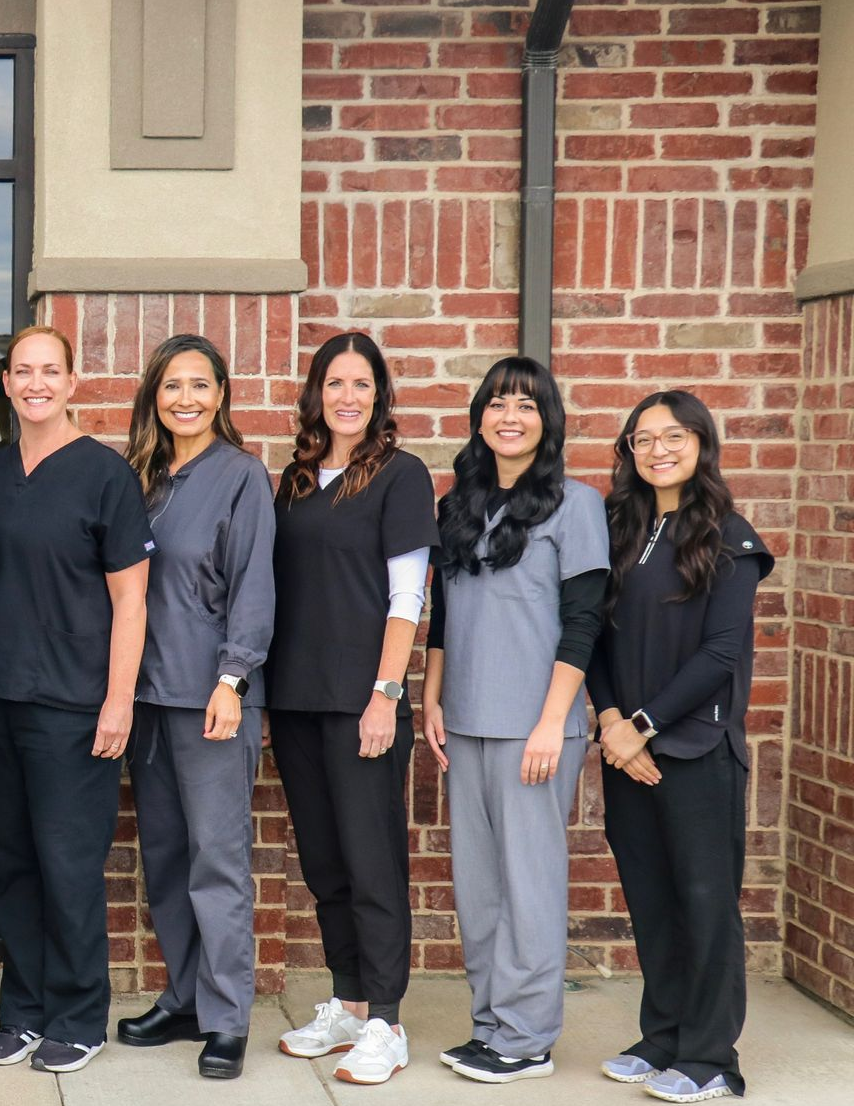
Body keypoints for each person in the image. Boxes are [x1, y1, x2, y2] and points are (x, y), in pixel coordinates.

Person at [0, 325, 152, 1074]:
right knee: (8, 866)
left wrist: (119, 699)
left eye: (51, 371)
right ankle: (26, 1010)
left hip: (76, 706)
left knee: (69, 865)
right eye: (22, 371)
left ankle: (79, 1015)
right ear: (6, 384)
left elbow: (132, 603)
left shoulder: (108, 478)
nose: (36, 383)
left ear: (72, 382)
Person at [423, 356, 609, 1084]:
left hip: (536, 726)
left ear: (547, 420)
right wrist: (431, 698)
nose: (510, 416)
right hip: (464, 721)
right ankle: (490, 1026)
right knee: (479, 887)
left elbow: (584, 622)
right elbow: (443, 615)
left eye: (526, 406)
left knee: (530, 886)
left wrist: (551, 722)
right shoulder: (458, 505)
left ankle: (527, 1038)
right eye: (498, 403)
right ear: (479, 418)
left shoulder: (578, 503)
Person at [587, 392, 772, 1104]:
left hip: (695, 749)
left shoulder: (728, 535)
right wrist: (611, 722)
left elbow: (722, 653)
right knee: (652, 901)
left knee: (704, 902)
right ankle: (662, 1035)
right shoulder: (621, 529)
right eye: (642, 438)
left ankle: (711, 1056)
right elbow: (593, 634)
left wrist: (644, 725)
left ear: (701, 442)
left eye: (674, 435)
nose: (658, 449)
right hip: (626, 748)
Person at [266, 332, 436, 1085]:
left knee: (372, 865)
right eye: (334, 383)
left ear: (379, 396)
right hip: (297, 699)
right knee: (324, 863)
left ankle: (387, 1021)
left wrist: (385, 695)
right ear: (317, 394)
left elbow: (409, 598)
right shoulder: (297, 479)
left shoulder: (401, 477)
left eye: (361, 384)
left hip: (363, 703)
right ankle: (347, 1002)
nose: (347, 397)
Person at [112, 333, 275, 1081]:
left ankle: (227, 1017)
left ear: (221, 394)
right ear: (155, 396)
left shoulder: (241, 475)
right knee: (167, 858)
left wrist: (233, 679)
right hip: (146, 697)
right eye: (172, 386)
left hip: (212, 697)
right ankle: (182, 997)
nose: (186, 399)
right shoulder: (139, 478)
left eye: (200, 386)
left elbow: (254, 588)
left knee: (218, 861)